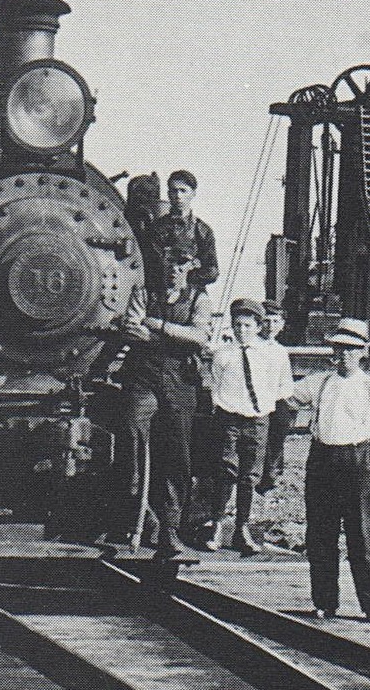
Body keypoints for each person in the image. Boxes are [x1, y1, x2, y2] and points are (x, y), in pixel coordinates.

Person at [290, 317, 370, 622]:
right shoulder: (319, 382)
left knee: (362, 535)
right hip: (322, 459)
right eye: (339, 349)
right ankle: (325, 601)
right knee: (321, 534)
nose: (344, 356)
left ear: (363, 351)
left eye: (351, 350)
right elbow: (284, 393)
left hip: (358, 461)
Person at [121, 244, 214, 559]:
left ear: (190, 267)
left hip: (180, 380)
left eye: (181, 264)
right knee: (132, 425)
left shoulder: (199, 299)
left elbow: (200, 336)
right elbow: (132, 329)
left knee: (177, 453)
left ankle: (170, 528)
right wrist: (175, 334)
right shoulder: (144, 292)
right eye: (170, 262)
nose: (174, 269)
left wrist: (157, 326)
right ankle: (136, 500)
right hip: (143, 375)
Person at [199, 298, 295, 554]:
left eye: (248, 325)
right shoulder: (223, 355)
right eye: (238, 325)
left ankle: (242, 528)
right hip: (229, 420)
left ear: (258, 326)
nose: (242, 330)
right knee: (225, 470)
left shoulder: (274, 355)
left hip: (258, 421)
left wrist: (263, 405)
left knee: (249, 476)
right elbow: (215, 386)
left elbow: (284, 387)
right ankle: (217, 525)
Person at [148, 170, 219, 295]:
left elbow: (212, 271)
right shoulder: (157, 228)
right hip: (160, 295)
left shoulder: (202, 230)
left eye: (183, 190)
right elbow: (151, 266)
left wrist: (187, 275)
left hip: (192, 295)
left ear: (193, 194)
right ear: (169, 194)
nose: (178, 196)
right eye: (174, 191)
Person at [255, 300, 294, 499]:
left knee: (279, 429)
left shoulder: (280, 351)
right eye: (267, 321)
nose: (271, 326)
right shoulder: (253, 346)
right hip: (255, 400)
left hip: (276, 400)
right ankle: (257, 475)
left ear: (281, 324)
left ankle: (270, 473)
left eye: (276, 321)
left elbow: (286, 382)